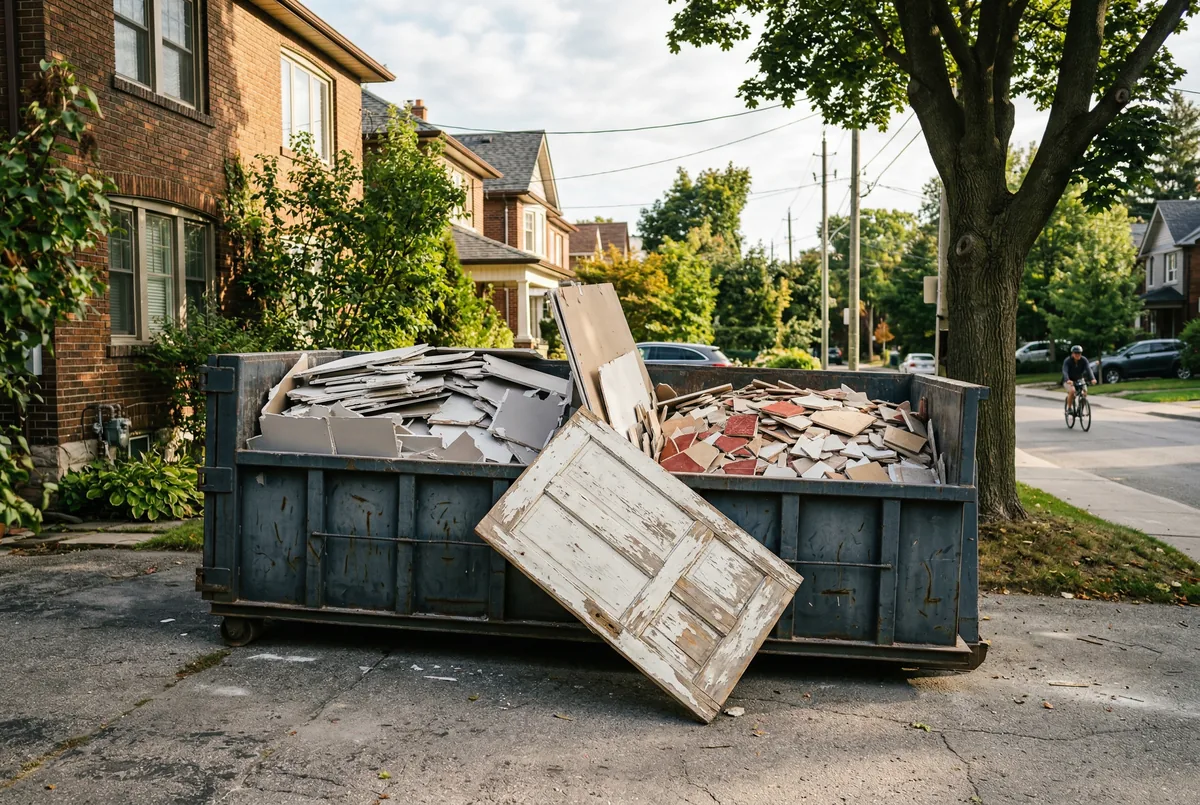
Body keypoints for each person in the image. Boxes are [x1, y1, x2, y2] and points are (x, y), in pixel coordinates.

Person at [1062, 345, 1095, 411]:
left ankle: (1080, 410)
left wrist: (1092, 378)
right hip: (1069, 380)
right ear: (1072, 353)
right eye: (1076, 353)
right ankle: (1069, 408)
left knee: (1084, 393)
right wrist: (1067, 379)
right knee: (1072, 391)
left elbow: (1088, 369)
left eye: (1079, 353)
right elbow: (1065, 371)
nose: (1078, 355)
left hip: (1079, 379)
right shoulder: (1067, 361)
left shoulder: (1084, 360)